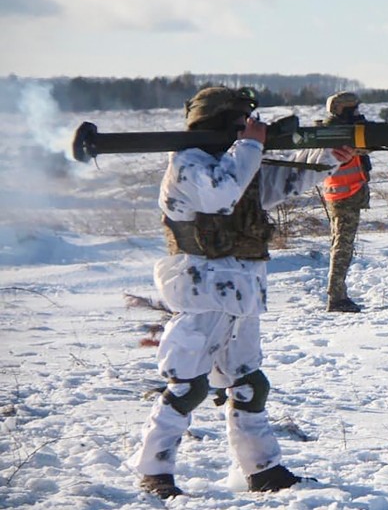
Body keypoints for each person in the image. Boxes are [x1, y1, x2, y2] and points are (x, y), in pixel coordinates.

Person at [129, 86, 356, 499]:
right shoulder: (189, 163)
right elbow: (221, 193)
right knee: (189, 386)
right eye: (237, 123)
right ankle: (153, 469)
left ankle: (262, 470)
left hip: (242, 290)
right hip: (202, 289)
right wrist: (250, 144)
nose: (245, 130)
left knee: (250, 383)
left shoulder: (237, 160)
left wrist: (325, 157)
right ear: (214, 123)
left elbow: (282, 181)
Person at [319, 91, 371, 313]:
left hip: (344, 193)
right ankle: (336, 297)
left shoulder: (338, 129)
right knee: (342, 247)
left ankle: (337, 294)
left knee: (340, 245)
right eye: (354, 109)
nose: (358, 113)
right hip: (345, 195)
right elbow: (364, 147)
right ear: (344, 109)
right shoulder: (338, 132)